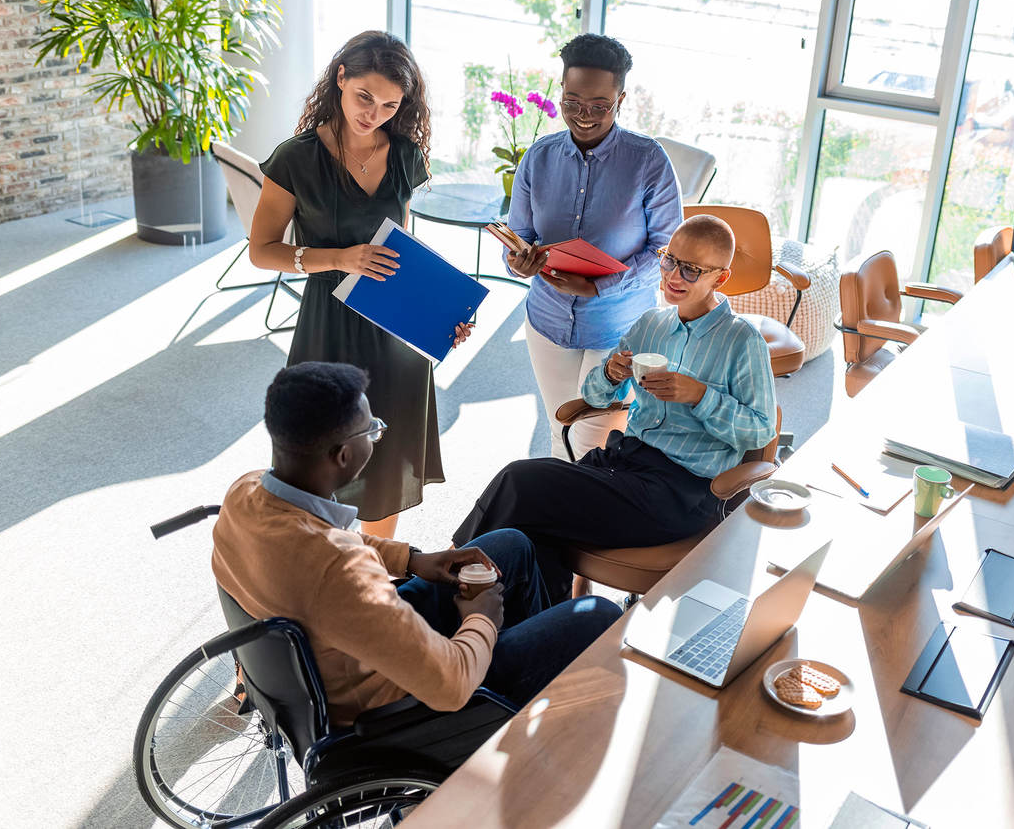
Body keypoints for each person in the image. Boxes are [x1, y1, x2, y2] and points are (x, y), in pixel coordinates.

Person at [212, 361, 621, 725]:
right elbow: (451, 686)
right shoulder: (342, 570)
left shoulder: (245, 492)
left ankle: (530, 686)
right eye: (371, 431)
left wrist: (414, 560)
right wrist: (480, 619)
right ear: (341, 455)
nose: (376, 438)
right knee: (596, 614)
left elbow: (323, 540)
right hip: (393, 709)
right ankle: (515, 706)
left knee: (510, 544)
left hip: (333, 644)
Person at [454, 215, 777, 601]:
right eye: (669, 260)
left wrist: (699, 396)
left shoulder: (742, 341)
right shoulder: (651, 324)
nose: (674, 276)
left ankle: (445, 579)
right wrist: (609, 372)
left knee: (520, 481)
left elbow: (760, 431)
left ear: (720, 278)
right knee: (532, 527)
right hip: (622, 462)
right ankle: (539, 628)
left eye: (691, 270)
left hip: (678, 491)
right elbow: (595, 395)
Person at [248, 30, 467, 538]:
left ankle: (376, 580)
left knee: (386, 464)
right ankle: (322, 573)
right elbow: (262, 250)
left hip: (394, 331)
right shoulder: (295, 158)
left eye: (389, 105)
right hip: (328, 326)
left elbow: (403, 251)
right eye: (364, 96)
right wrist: (339, 258)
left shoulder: (407, 157)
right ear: (340, 78)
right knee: (319, 456)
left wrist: (442, 317)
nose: (373, 113)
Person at [504, 33, 682, 461]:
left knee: (592, 443)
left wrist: (599, 288)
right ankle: (552, 524)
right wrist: (518, 261)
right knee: (558, 429)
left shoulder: (648, 161)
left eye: (600, 106)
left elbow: (667, 250)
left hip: (618, 327)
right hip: (547, 321)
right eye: (572, 102)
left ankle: (584, 523)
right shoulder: (538, 158)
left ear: (621, 99)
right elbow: (519, 238)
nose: (584, 116)